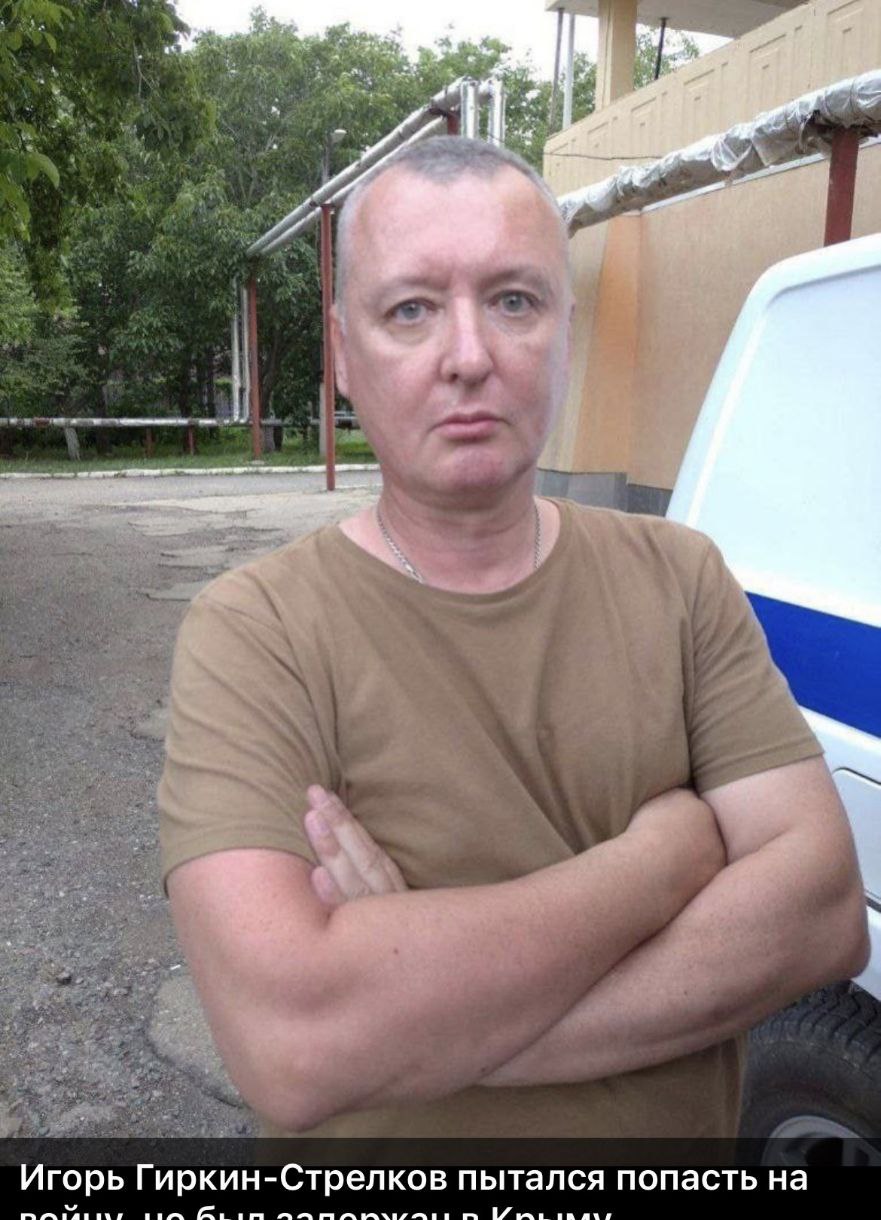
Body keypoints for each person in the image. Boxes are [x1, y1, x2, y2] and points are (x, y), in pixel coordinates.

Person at [158, 137, 868, 1140]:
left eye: (513, 300)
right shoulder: (256, 631)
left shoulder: (680, 579)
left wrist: (428, 1027)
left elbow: (821, 915)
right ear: (344, 356)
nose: (468, 355)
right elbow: (294, 1043)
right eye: (410, 309)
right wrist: (662, 860)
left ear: (564, 334)